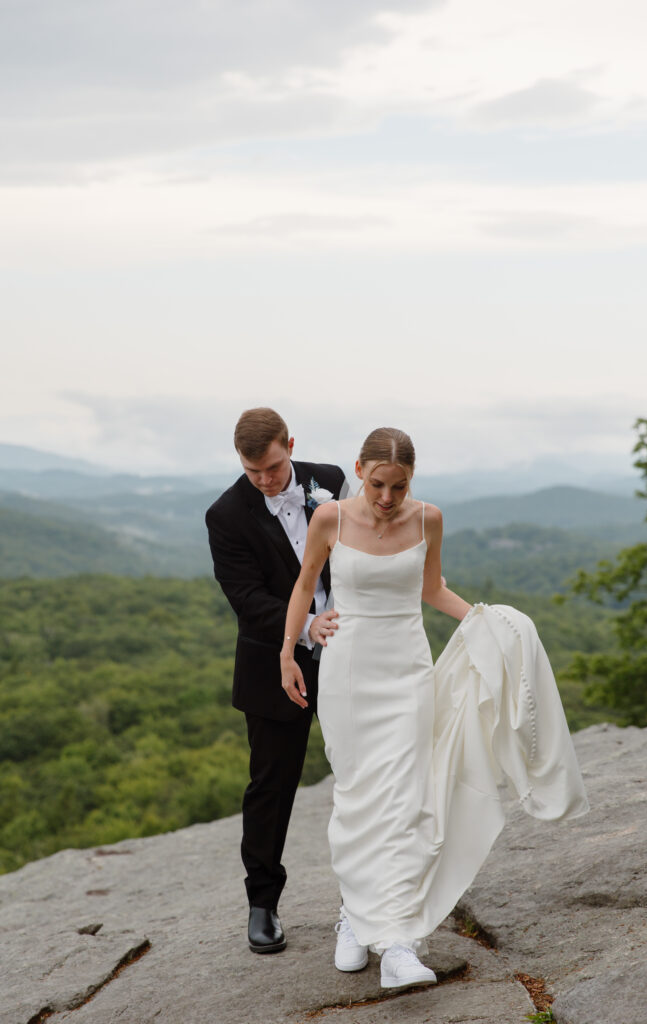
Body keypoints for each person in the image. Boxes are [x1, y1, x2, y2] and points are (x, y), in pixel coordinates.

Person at [280, 427, 589, 989]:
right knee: (355, 795)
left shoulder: (428, 520)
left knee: (405, 798)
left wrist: (485, 622)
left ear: (410, 482)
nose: (385, 498)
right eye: (376, 485)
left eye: (397, 487)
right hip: (348, 671)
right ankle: (353, 915)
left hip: (407, 670)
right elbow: (304, 586)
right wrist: (288, 651)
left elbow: (431, 588)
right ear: (359, 470)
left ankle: (397, 940)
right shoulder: (331, 519)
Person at [205, 407, 346, 954]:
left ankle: (362, 898)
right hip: (273, 664)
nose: (264, 480)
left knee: (361, 773)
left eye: (273, 466)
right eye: (252, 470)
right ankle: (262, 904)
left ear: (291, 444)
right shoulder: (226, 515)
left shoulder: (329, 481)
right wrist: (305, 628)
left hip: (346, 654)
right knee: (271, 787)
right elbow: (246, 600)